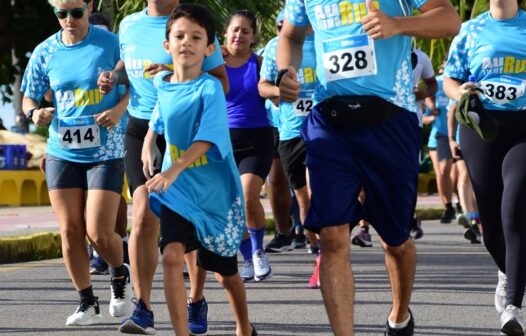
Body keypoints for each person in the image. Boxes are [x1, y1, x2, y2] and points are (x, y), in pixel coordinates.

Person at [276, 0, 460, 334]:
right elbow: (290, 36)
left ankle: (399, 315)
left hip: (390, 118)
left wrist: (398, 24)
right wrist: (284, 72)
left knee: (394, 240)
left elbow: (449, 19)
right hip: (330, 120)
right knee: (332, 236)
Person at [97, 1, 227, 333]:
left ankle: (196, 299)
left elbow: (221, 82)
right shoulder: (128, 24)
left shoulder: (190, 22)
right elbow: (128, 62)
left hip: (183, 130)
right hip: (140, 127)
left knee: (186, 217)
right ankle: (143, 307)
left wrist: (172, 75)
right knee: (141, 214)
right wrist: (113, 76)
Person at [140, 5, 256, 336]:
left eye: (196, 37)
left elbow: (208, 137)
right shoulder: (163, 82)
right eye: (179, 36)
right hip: (178, 192)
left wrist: (174, 168)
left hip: (213, 193)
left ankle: (244, 328)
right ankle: (182, 332)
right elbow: (160, 113)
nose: (186, 42)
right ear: (167, 45)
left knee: (224, 273)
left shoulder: (210, 88)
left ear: (209, 48)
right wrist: (149, 140)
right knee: (173, 257)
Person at [21, 0, 133, 326]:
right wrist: (33, 112)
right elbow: (30, 94)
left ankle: (119, 274)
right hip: (62, 149)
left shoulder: (111, 44)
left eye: (76, 13)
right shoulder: (45, 51)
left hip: (106, 151)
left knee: (98, 231)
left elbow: (136, 86)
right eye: (61, 14)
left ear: (89, 6)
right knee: (70, 232)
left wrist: (118, 110)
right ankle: (87, 301)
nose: (69, 20)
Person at [443, 1, 526, 334]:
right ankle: (506, 272)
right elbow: (450, 79)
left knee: (514, 207)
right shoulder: (470, 30)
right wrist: (459, 90)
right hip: (481, 127)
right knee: (490, 220)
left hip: (523, 127)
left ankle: (512, 306)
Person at [258, 20, 320, 287]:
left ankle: (329, 255)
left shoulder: (325, 39)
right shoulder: (275, 46)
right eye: (282, 22)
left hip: (325, 127)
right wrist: (278, 91)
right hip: (291, 131)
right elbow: (262, 86)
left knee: (320, 192)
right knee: (304, 202)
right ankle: (317, 250)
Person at [223, 10, 274, 282]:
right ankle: (246, 255)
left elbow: (275, 89)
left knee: (247, 196)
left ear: (253, 36)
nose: (239, 35)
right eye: (235, 29)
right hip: (224, 141)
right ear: (225, 33)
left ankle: (257, 251)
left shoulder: (261, 64)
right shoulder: (213, 62)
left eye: (245, 31)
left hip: (257, 139)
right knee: (232, 204)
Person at [446, 100, 482, 244]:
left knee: (479, 181)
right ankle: (470, 218)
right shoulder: (463, 84)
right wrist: (451, 139)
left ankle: (478, 218)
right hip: (464, 139)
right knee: (465, 175)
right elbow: (452, 112)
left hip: (485, 139)